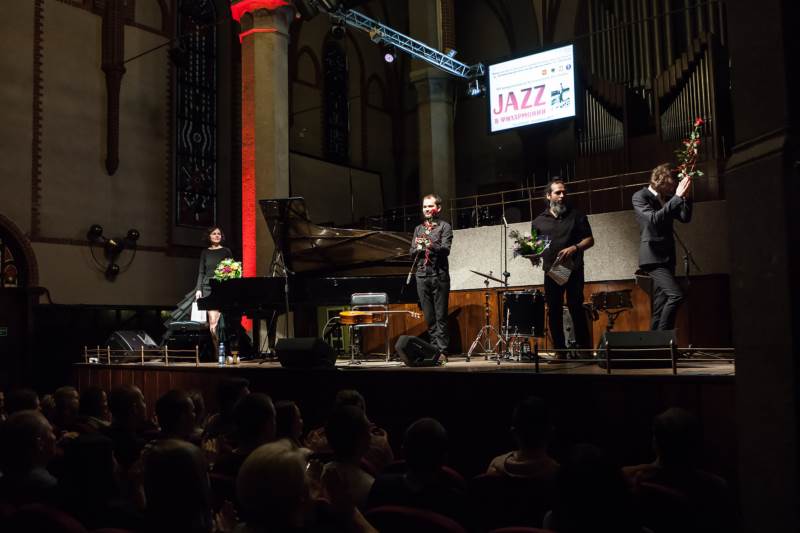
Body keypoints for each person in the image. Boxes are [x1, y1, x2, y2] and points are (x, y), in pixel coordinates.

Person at [530, 178, 594, 356]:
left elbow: (590, 240)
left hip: (573, 269)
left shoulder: (577, 215)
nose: (562, 195)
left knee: (576, 307)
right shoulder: (538, 222)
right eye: (558, 192)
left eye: (564, 192)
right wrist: (532, 256)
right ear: (548, 195)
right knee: (554, 310)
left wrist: (574, 248)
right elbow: (535, 247)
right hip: (552, 271)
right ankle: (560, 351)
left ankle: (585, 349)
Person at [631, 164, 693, 330]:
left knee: (660, 305)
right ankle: (664, 338)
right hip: (652, 257)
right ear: (660, 181)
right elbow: (653, 220)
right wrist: (677, 197)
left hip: (667, 256)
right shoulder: (640, 196)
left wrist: (686, 197)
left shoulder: (667, 198)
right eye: (671, 184)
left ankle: (655, 343)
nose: (673, 188)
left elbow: (685, 217)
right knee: (676, 295)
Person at [410, 194, 453, 359]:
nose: (427, 209)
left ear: (438, 208)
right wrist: (418, 248)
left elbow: (445, 249)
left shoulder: (445, 227)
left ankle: (442, 351)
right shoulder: (418, 229)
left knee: (440, 316)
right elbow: (411, 252)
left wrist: (429, 244)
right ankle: (434, 350)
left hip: (439, 275)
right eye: (424, 206)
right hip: (422, 275)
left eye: (430, 206)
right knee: (429, 317)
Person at [195, 226, 233, 354]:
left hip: (222, 287)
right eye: (214, 233)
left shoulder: (226, 251)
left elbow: (232, 269)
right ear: (209, 236)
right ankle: (217, 350)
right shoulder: (205, 252)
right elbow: (201, 272)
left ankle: (223, 349)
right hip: (207, 287)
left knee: (221, 322)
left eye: (219, 234)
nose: (217, 236)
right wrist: (198, 289)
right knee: (212, 320)